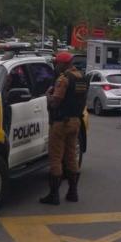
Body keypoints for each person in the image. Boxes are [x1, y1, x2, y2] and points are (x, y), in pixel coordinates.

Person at [40, 51, 87, 205]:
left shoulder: (64, 79)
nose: (56, 66)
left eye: (57, 63)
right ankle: (73, 192)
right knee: (71, 156)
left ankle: (54, 195)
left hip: (61, 123)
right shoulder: (81, 77)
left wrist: (48, 96)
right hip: (76, 121)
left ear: (63, 64)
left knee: (56, 157)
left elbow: (56, 101)